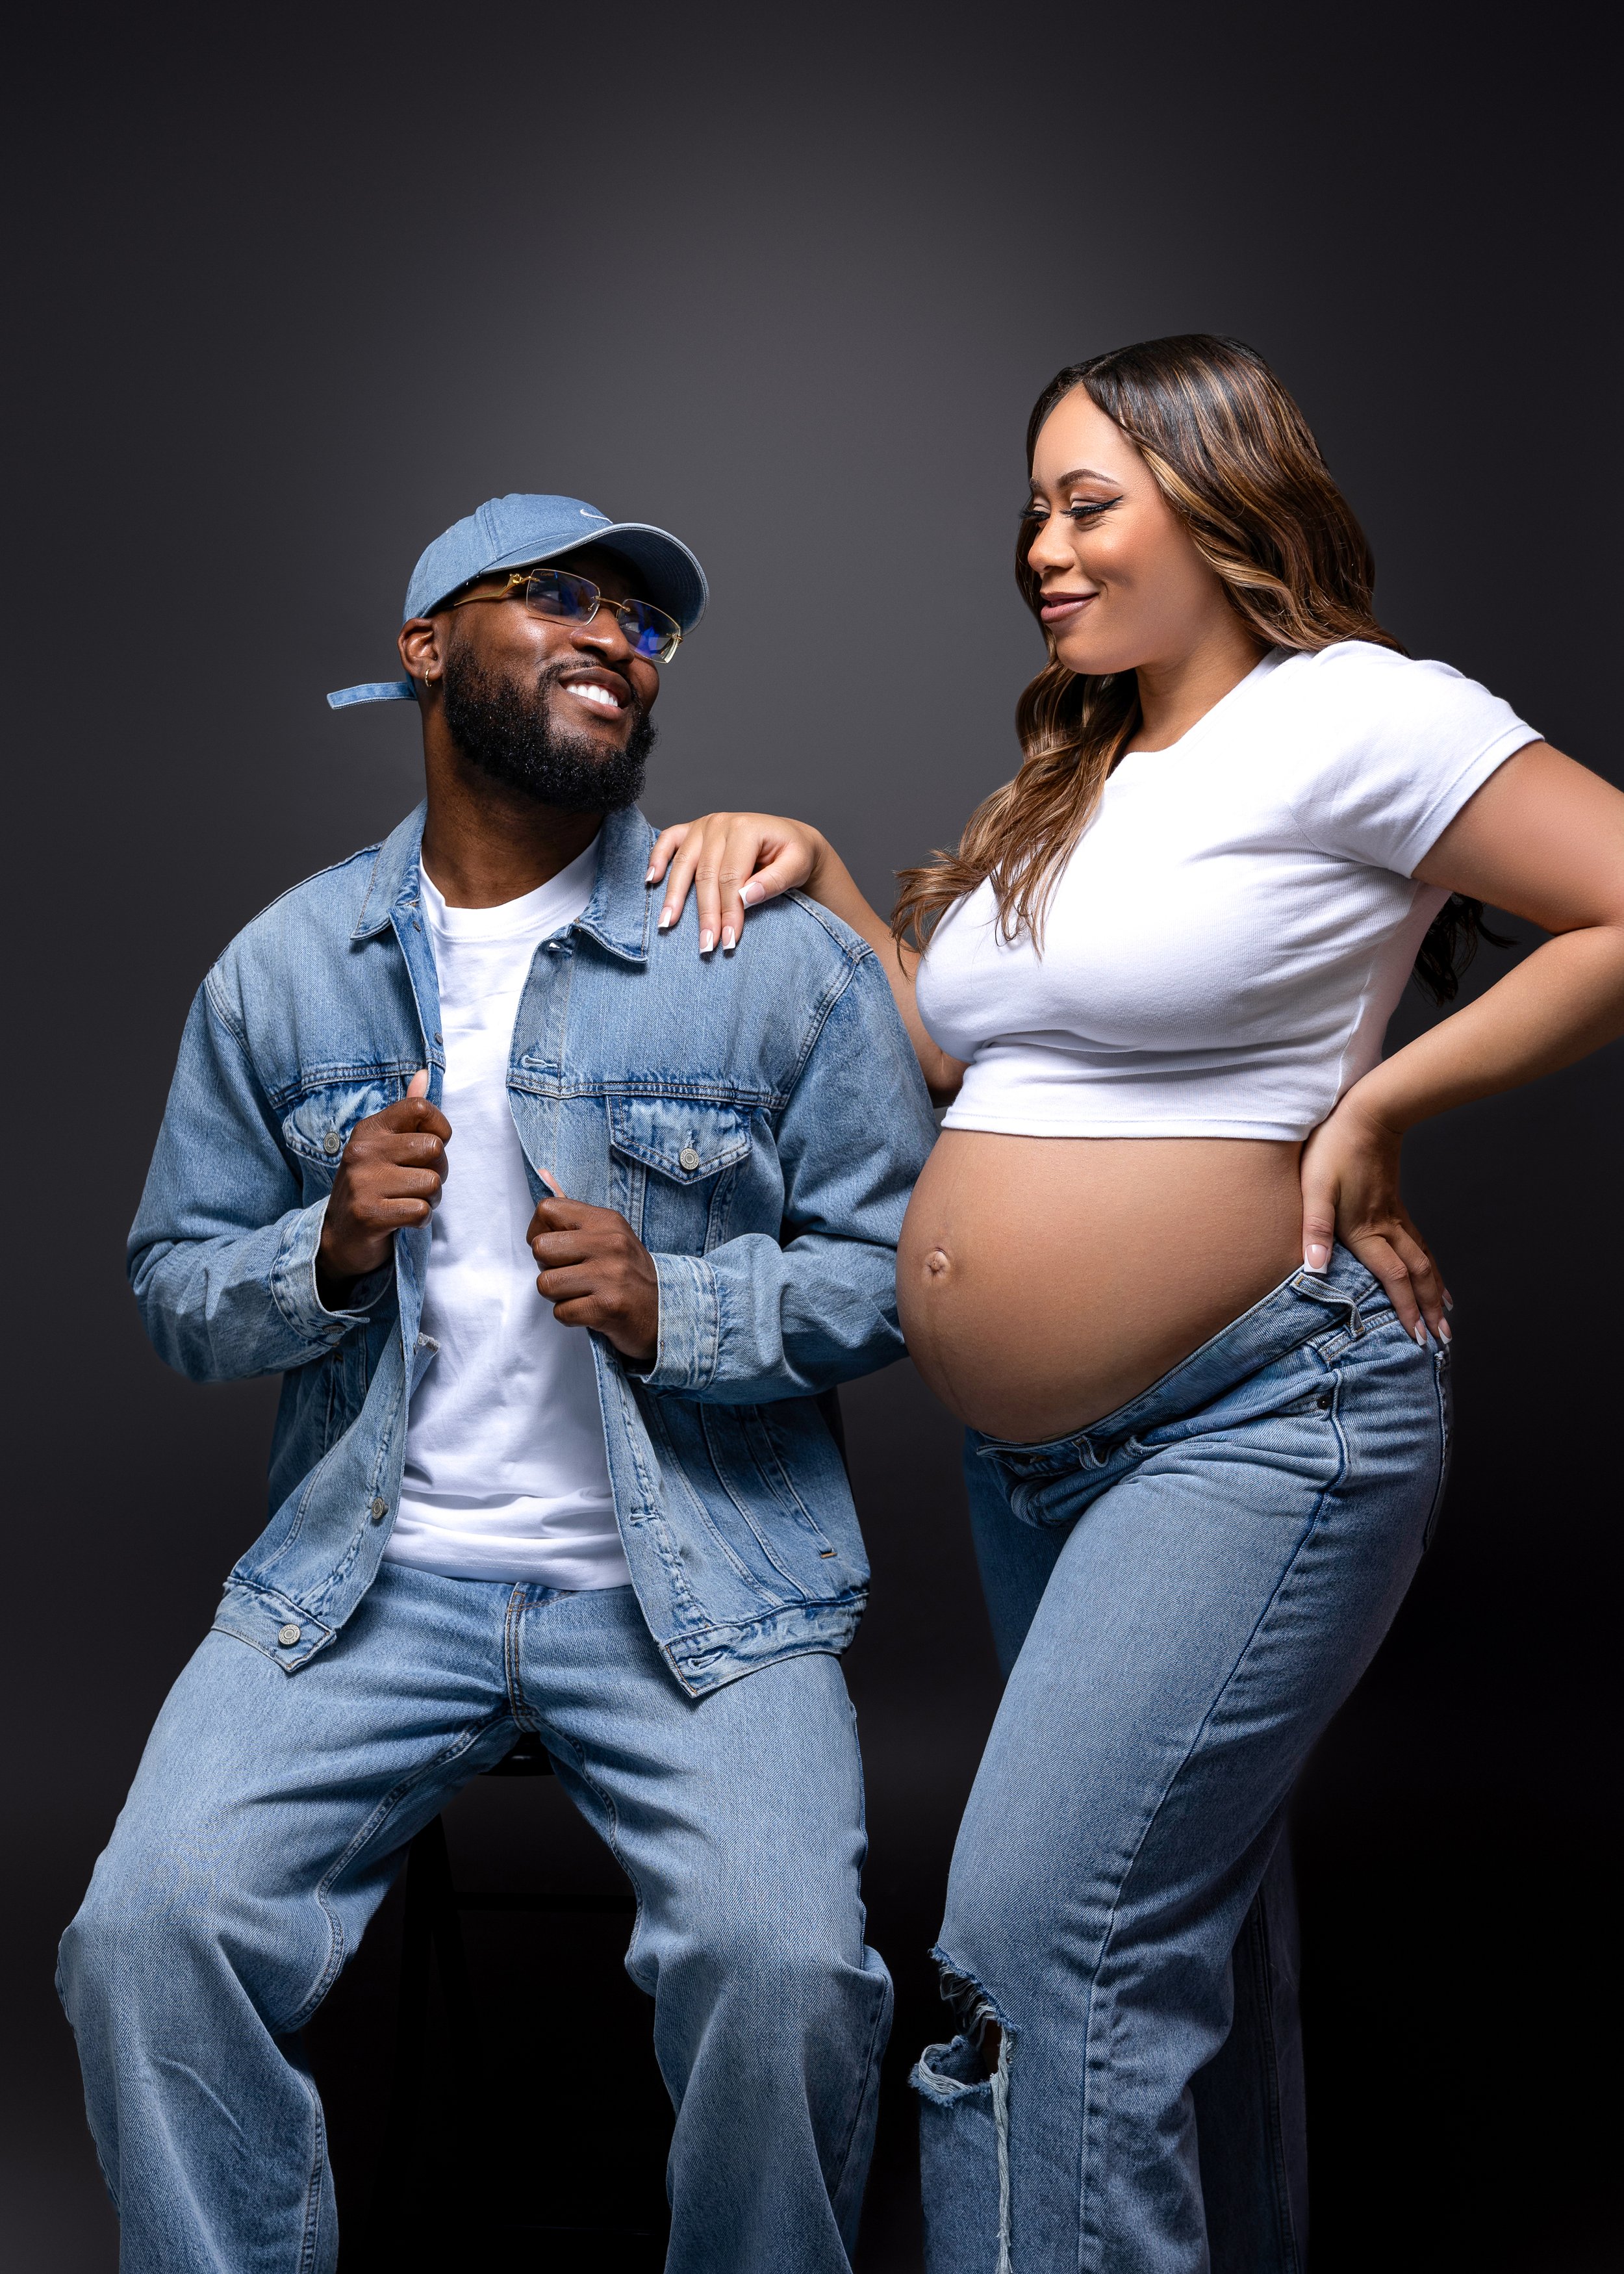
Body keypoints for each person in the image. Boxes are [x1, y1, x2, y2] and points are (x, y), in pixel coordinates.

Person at [646, 336, 1624, 2273]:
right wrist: (829, 881)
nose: (1044, 547)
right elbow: (960, 1058)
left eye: (1088, 503)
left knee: (1039, 1957)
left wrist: (1380, 1104)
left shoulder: (1355, 714)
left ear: (1219, 495)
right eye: (1032, 511)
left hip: (1258, 1420)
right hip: (1042, 1472)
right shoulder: (1078, 770)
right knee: (1176, 1949)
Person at [57, 492, 937, 2274]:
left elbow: (909, 1273)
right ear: (424, 647)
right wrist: (322, 1250)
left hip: (701, 1597)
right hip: (366, 1589)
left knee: (783, 1967)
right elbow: (170, 1289)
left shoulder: (761, 953)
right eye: (555, 596)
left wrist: (680, 1304)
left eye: (643, 621)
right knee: (142, 1935)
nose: (614, 636)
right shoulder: (286, 968)